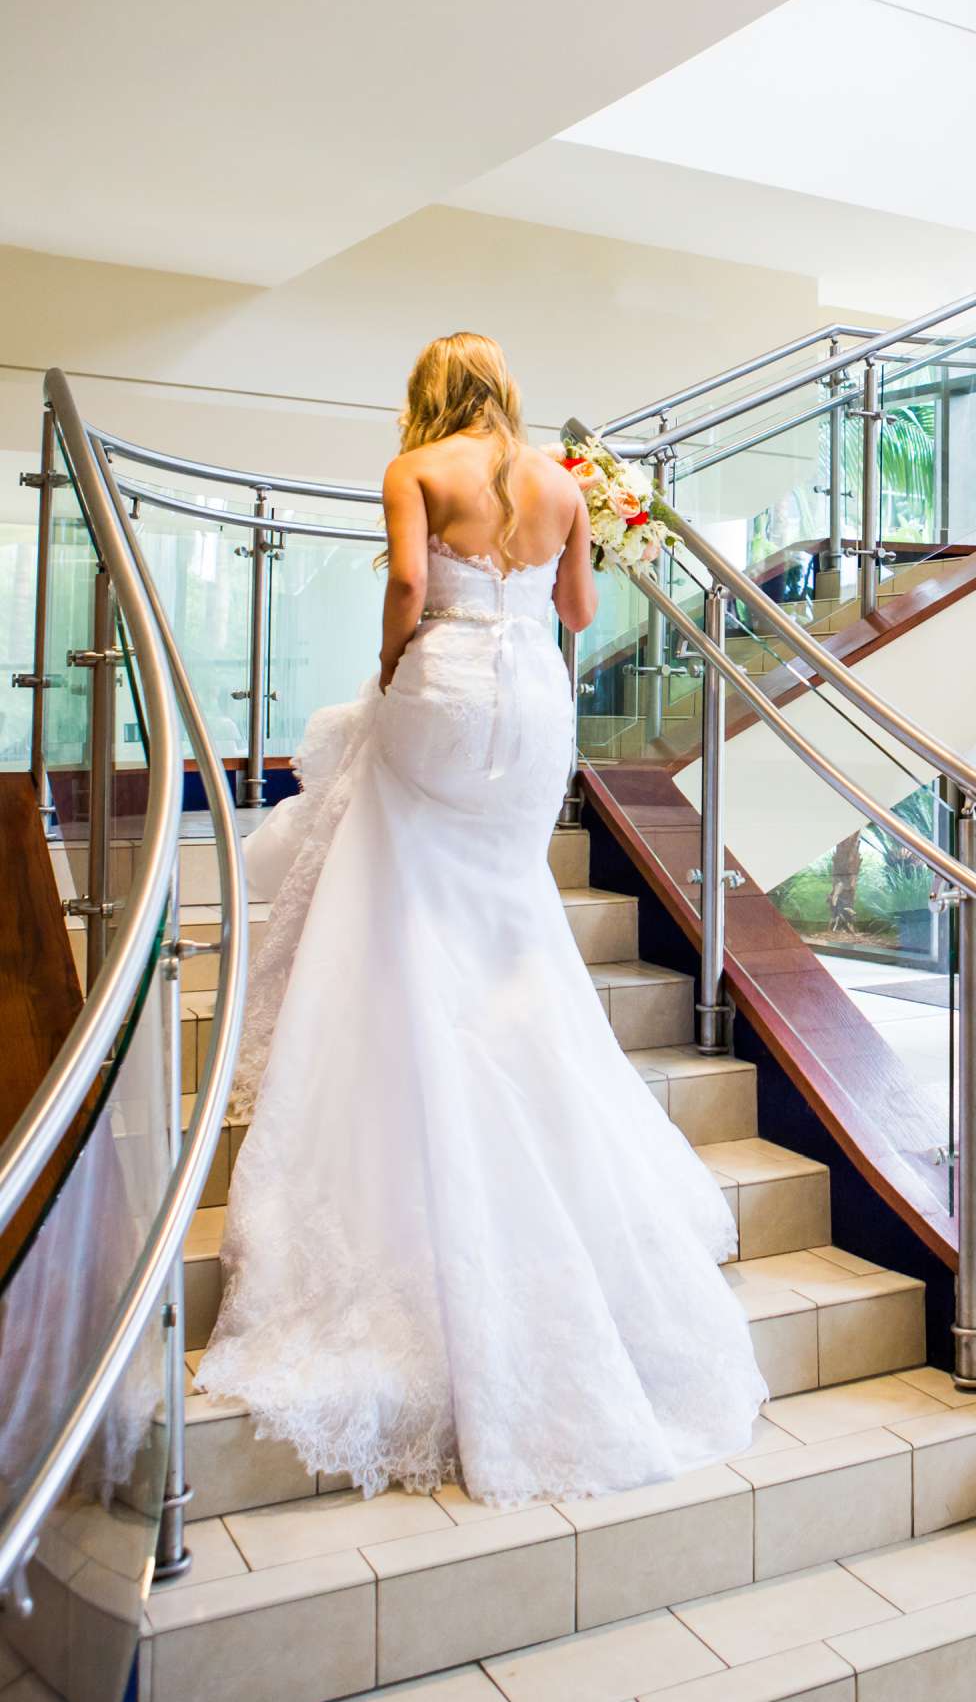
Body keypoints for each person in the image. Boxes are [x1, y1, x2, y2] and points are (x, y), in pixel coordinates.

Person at [198, 332, 767, 1507]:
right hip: (533, 713)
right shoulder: (558, 481)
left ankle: (420, 1061)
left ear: (428, 395)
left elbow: (409, 589)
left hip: (447, 692)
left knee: (400, 880)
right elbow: (578, 604)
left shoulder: (418, 470)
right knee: (506, 914)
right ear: (505, 392)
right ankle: (509, 1070)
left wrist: (390, 668)